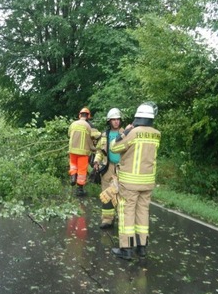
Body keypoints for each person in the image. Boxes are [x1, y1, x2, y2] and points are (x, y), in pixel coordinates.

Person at [109, 102, 160, 260]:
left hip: (130, 182)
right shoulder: (156, 134)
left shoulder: (134, 132)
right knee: (143, 212)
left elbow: (114, 147)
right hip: (148, 182)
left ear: (138, 117)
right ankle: (142, 247)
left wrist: (126, 132)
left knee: (126, 212)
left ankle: (126, 248)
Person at [93, 108, 124, 229]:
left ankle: (123, 220)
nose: (116, 122)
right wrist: (96, 161)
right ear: (109, 121)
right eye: (113, 120)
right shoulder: (105, 135)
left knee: (122, 194)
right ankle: (107, 219)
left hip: (122, 168)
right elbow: (100, 151)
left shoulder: (125, 134)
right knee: (106, 193)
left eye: (118, 119)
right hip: (108, 167)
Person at [68, 107, 101, 197]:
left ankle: (73, 177)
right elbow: (96, 135)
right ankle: (79, 189)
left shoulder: (73, 124)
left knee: (73, 165)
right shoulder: (89, 126)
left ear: (79, 115)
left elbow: (69, 134)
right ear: (88, 116)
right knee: (82, 171)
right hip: (83, 152)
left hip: (72, 150)